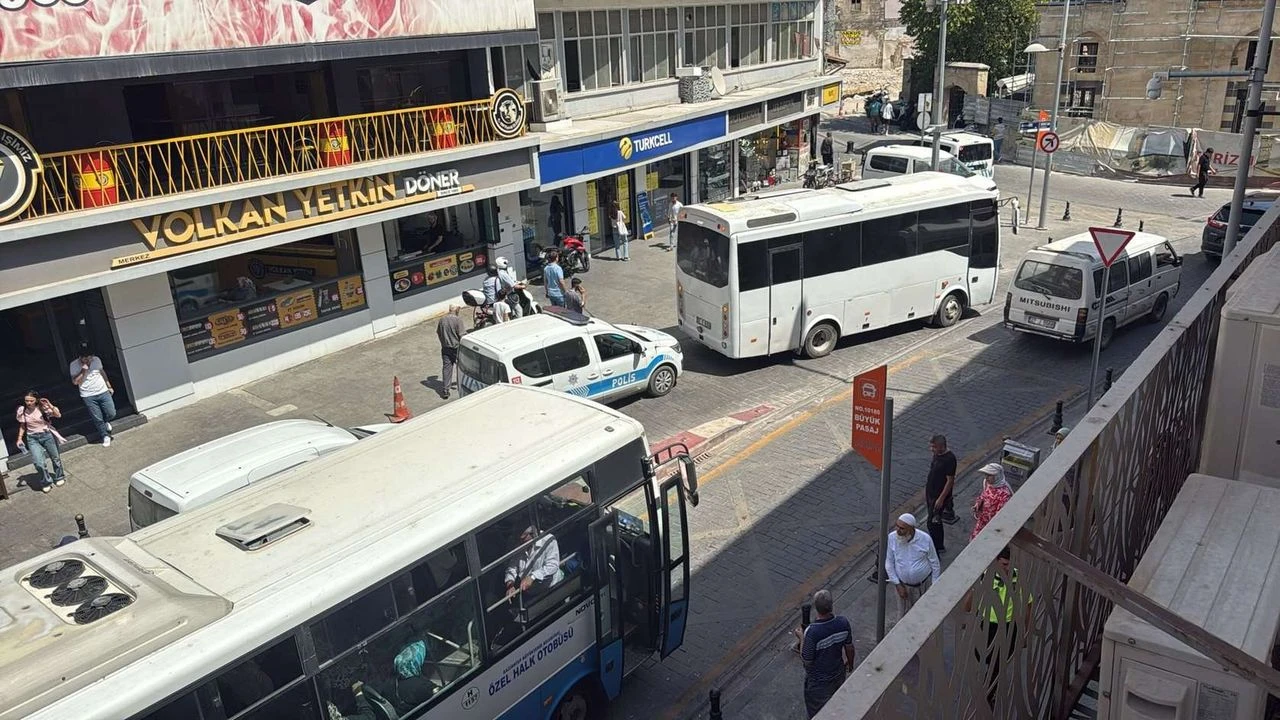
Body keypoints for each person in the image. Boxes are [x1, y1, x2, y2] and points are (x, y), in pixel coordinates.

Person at [964, 548, 1033, 708]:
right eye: (1004, 564)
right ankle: (990, 681)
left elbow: (1028, 606)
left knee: (999, 662)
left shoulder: (1018, 578)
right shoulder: (984, 577)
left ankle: (989, 693)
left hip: (1008, 627)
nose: (1008, 568)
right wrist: (975, 589)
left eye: (1010, 564)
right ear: (996, 562)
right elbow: (967, 607)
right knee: (983, 656)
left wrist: (1026, 632)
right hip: (987, 626)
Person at [792, 589, 855, 718]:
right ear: (831, 605)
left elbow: (806, 660)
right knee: (838, 706)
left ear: (816, 608)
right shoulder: (843, 623)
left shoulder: (812, 632)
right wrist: (850, 664)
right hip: (838, 674)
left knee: (817, 713)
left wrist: (802, 638)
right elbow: (849, 648)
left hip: (818, 683)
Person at [885, 513, 941, 622]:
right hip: (903, 586)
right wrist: (897, 584)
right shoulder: (892, 538)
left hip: (923, 586)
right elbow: (889, 563)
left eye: (902, 528)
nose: (898, 530)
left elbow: (935, 563)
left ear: (911, 529)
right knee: (902, 616)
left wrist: (934, 586)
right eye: (897, 526)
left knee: (923, 614)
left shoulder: (925, 539)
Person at [15, 391, 65, 492]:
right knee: (39, 463)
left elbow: (57, 415)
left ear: (36, 400)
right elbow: (23, 425)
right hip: (32, 438)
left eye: (31, 401)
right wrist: (19, 438)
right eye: (27, 401)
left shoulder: (42, 408)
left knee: (55, 458)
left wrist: (50, 405)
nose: (29, 403)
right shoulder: (23, 410)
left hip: (46, 435)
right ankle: (46, 482)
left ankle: (59, 476)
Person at [70, 346, 116, 447]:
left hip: (102, 390)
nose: (87, 360)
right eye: (85, 358)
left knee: (111, 413)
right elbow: (75, 382)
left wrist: (109, 386)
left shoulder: (96, 360)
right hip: (88, 394)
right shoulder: (74, 365)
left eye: (89, 358)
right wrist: (83, 370)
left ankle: (105, 422)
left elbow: (102, 372)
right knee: (97, 418)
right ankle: (105, 435)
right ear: (80, 357)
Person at [505, 525, 563, 601]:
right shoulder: (518, 544)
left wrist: (532, 577)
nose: (520, 542)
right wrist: (510, 584)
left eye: (523, 538)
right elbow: (512, 567)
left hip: (552, 588)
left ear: (532, 534)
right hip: (532, 593)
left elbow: (552, 565)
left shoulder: (548, 539)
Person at [926, 434, 958, 553]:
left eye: (934, 447)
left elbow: (950, 481)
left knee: (933, 521)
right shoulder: (937, 455)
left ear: (942, 446)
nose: (932, 449)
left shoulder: (949, 459)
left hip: (938, 495)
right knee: (933, 519)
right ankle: (937, 544)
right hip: (931, 491)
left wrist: (941, 499)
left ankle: (938, 546)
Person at [971, 463, 1014, 540]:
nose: (986, 478)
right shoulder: (987, 483)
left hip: (991, 524)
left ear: (997, 476)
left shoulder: (1004, 494)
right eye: (986, 475)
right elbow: (983, 495)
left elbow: (1000, 516)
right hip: (982, 519)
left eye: (989, 475)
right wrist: (977, 504)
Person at [435, 306, 463, 399]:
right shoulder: (458, 320)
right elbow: (462, 334)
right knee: (461, 367)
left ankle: (446, 390)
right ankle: (461, 386)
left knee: (447, 368)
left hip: (445, 348)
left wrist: (443, 342)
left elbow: (438, 332)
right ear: (457, 310)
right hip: (456, 348)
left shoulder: (442, 320)